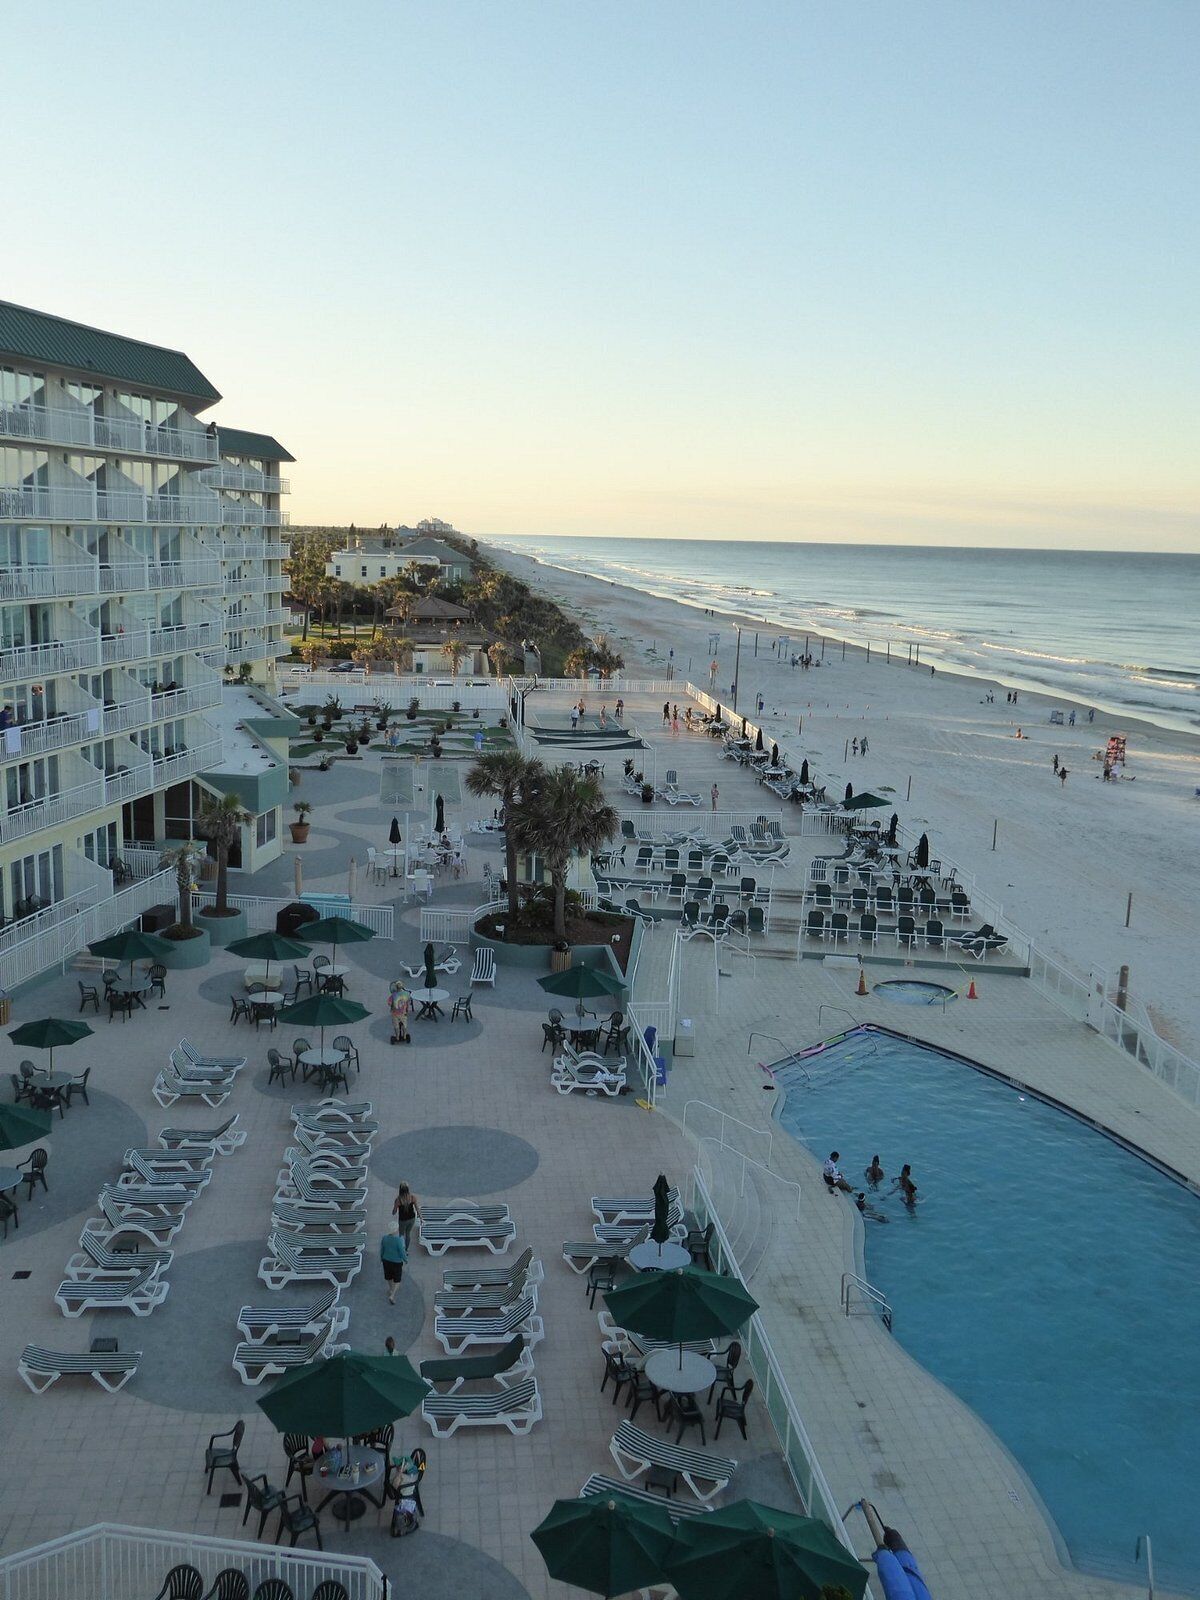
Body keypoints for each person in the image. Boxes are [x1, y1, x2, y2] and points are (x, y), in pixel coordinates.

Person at [380, 1223, 407, 1304]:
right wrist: (405, 1259)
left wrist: (381, 1258)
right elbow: (402, 1252)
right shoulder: (399, 1240)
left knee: (389, 1277)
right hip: (396, 1262)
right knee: (397, 1280)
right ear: (396, 1230)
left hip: (386, 1260)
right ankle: (392, 1295)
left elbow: (382, 1249)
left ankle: (391, 1289)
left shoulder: (384, 1238)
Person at [392, 1182, 421, 1249]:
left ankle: (401, 1249)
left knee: (401, 1235)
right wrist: (421, 1217)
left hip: (402, 1220)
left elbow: (394, 1212)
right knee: (408, 1234)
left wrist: (393, 1211)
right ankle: (406, 1249)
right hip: (411, 1219)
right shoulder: (412, 1197)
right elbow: (417, 1208)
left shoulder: (398, 1200)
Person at [388, 980, 412, 1045]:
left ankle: (397, 1037)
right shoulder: (407, 994)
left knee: (396, 1026)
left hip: (395, 1013)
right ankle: (404, 1036)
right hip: (403, 1013)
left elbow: (389, 1003)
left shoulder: (393, 995)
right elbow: (408, 1001)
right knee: (404, 1025)